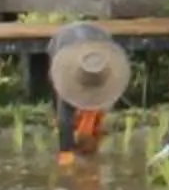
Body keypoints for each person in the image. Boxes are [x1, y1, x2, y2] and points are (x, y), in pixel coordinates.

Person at [46, 22, 132, 162]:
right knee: (62, 109)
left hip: (99, 40)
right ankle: (75, 140)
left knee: (94, 115)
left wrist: (93, 131)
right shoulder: (65, 76)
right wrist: (66, 152)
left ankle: (87, 142)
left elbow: (105, 106)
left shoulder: (108, 70)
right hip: (63, 42)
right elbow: (64, 120)